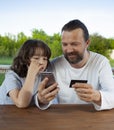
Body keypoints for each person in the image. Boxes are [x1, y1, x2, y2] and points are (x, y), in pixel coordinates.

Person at [36, 19, 114, 111]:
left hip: (94, 117)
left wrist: (97, 96)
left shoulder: (101, 62)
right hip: (64, 117)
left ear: (87, 43)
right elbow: (42, 97)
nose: (69, 50)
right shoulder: (54, 65)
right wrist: (41, 99)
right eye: (65, 44)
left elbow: (112, 95)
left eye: (74, 44)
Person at [0, 39, 58, 109]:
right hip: (5, 112)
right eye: (36, 58)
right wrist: (31, 73)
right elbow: (21, 103)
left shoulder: (42, 76)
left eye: (45, 59)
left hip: (26, 113)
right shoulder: (12, 75)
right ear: (25, 59)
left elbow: (48, 100)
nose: (42, 62)